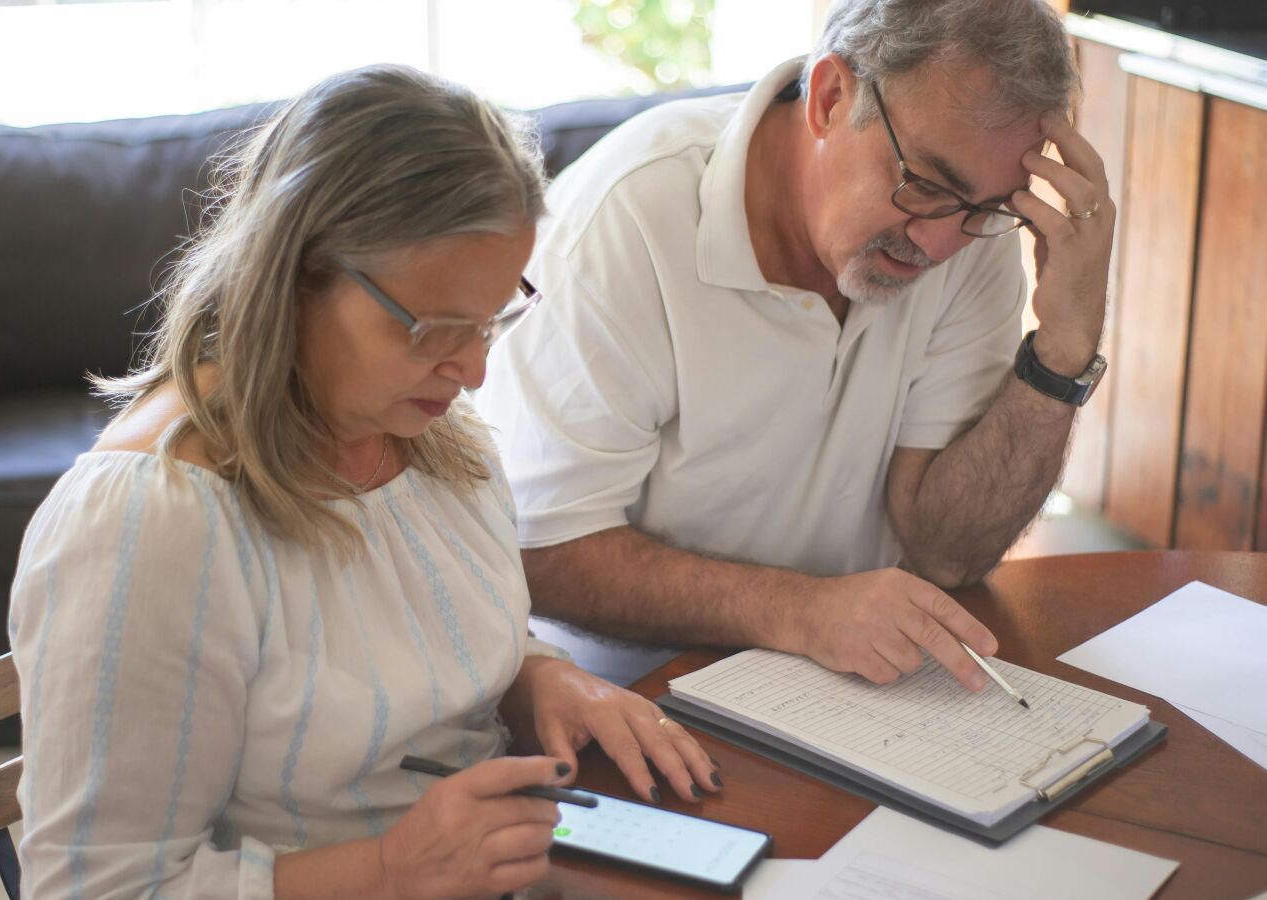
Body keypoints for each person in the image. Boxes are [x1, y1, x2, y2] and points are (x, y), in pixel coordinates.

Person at [8, 64, 719, 900]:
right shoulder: (150, 526)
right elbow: (91, 888)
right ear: (296, 273)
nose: (475, 370)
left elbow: (423, 641)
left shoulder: (433, 439)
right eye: (434, 328)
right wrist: (388, 871)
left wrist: (536, 679)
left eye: (492, 319)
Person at [474, 0, 1115, 688]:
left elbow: (947, 554)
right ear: (831, 98)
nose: (939, 244)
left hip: (855, 681)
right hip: (635, 694)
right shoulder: (624, 224)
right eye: (924, 185)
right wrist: (801, 612)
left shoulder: (965, 235)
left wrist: (1063, 349)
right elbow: (541, 550)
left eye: (986, 210)